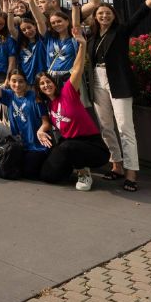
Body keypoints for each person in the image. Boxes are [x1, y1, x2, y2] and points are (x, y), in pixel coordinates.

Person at [82, 0, 151, 192]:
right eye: (100, 13)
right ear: (94, 17)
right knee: (106, 127)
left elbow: (140, 14)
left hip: (118, 82)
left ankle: (131, 173)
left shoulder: (121, 32)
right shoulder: (91, 37)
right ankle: (117, 166)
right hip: (97, 81)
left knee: (125, 128)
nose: (104, 16)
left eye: (107, 13)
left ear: (113, 16)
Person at [36, 27, 111, 191]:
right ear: (39, 89)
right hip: (67, 143)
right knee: (48, 176)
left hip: (91, 145)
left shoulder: (68, 92)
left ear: (54, 82)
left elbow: (77, 69)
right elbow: (47, 123)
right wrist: (40, 131)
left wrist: (82, 45)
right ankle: (70, 167)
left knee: (68, 147)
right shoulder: (48, 104)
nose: (46, 85)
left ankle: (84, 172)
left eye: (48, 81)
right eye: (42, 84)